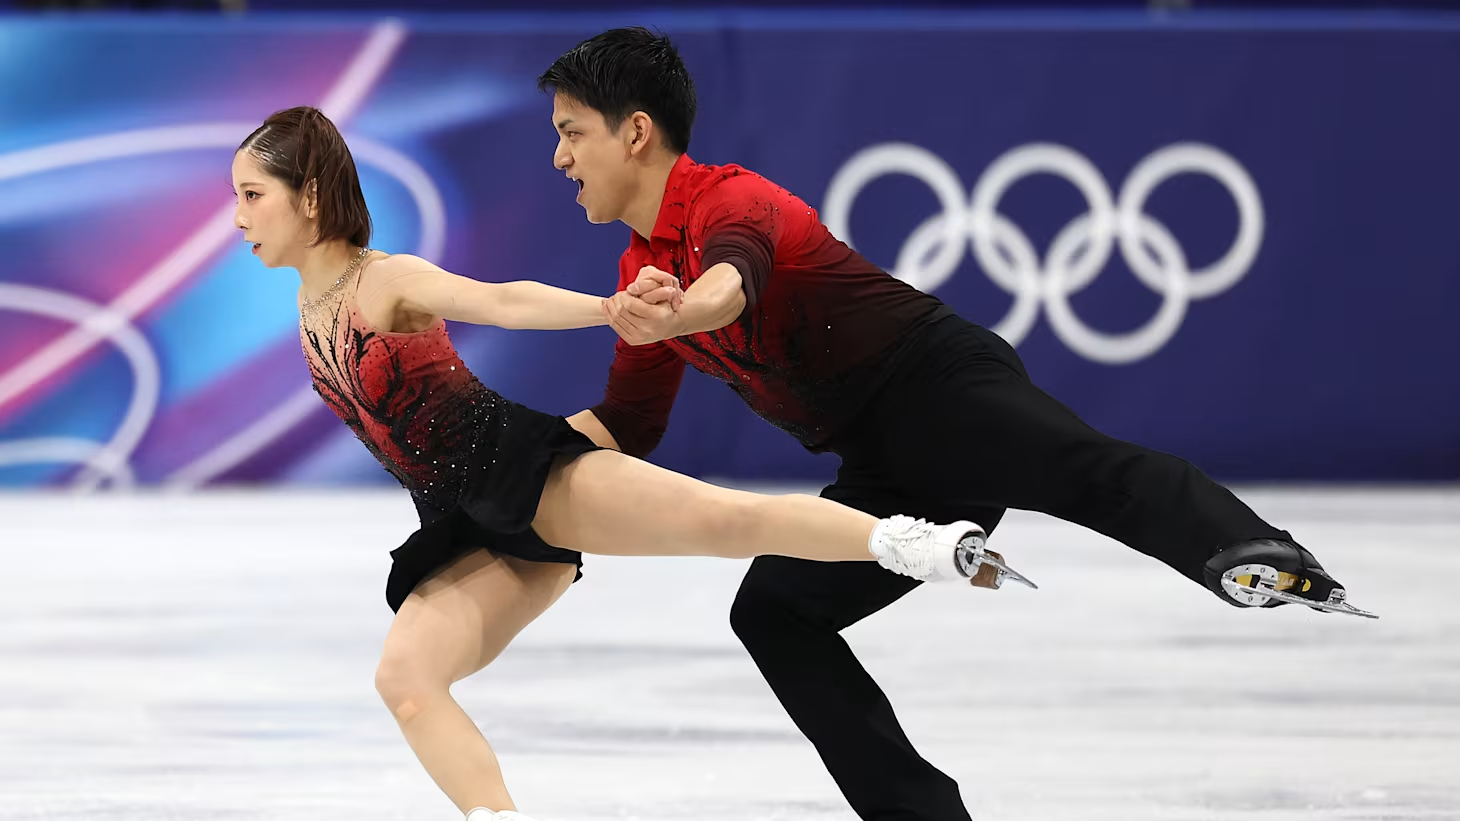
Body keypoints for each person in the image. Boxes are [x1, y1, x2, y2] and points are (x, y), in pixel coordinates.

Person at [538, 27, 1370, 821]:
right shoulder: (634, 272)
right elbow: (628, 421)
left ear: (637, 131)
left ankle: (1247, 548)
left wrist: (678, 313)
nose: (561, 157)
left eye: (572, 132)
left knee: (1079, 468)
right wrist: (514, 461)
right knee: (775, 608)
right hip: (881, 464)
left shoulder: (733, 200)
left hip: (939, 382)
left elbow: (731, 281)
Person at [232, 105, 1009, 821]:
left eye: (251, 194)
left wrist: (605, 309)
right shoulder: (307, 306)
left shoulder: (385, 279)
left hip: (526, 473)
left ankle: (929, 545)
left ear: (308, 199)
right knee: (406, 684)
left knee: (727, 520)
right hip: (464, 526)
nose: (238, 218)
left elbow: (502, 300)